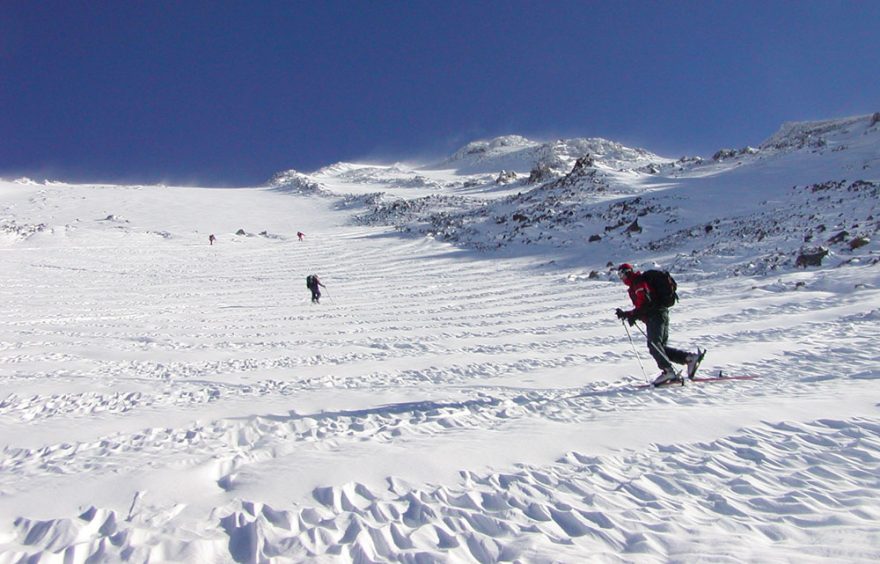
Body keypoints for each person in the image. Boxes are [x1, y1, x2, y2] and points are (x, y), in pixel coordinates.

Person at [614, 263, 704, 385]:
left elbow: (645, 304)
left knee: (654, 345)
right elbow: (645, 305)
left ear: (628, 272)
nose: (621, 278)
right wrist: (629, 314)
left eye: (622, 274)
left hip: (655, 316)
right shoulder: (637, 283)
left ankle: (668, 371)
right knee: (660, 348)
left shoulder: (637, 283)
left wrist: (632, 315)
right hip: (661, 314)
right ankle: (689, 359)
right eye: (619, 275)